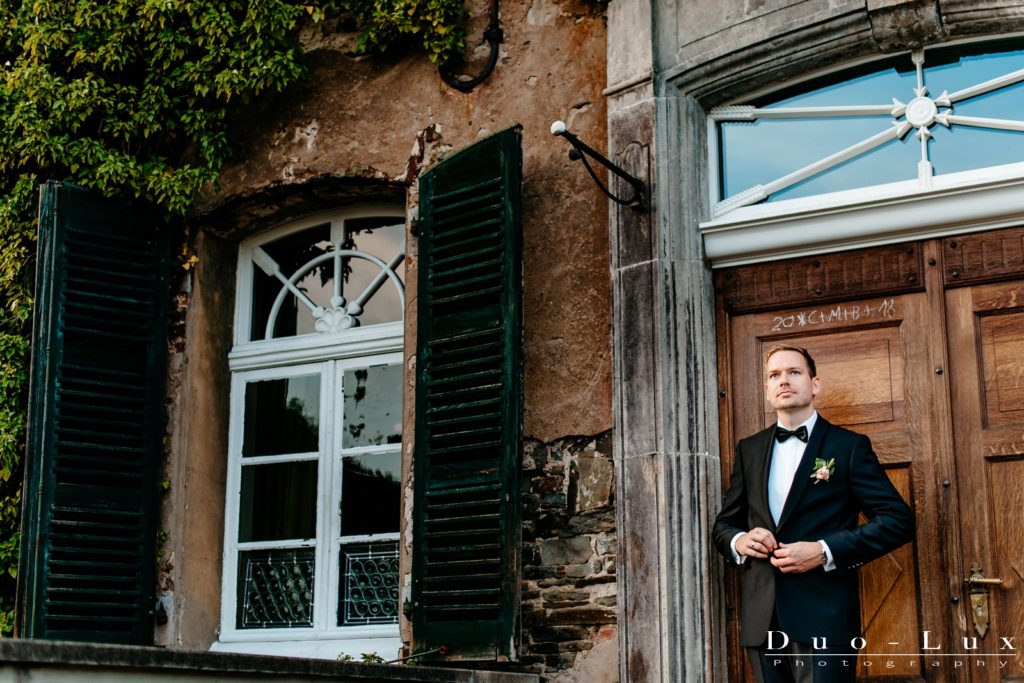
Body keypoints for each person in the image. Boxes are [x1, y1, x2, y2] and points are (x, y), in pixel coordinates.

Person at [713, 344, 914, 683]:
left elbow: (898, 520)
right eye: (774, 375)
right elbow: (724, 525)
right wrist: (740, 540)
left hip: (825, 617)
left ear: (814, 384)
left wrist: (824, 551)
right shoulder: (749, 449)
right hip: (763, 619)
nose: (783, 380)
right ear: (766, 389)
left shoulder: (848, 447)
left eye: (794, 372)